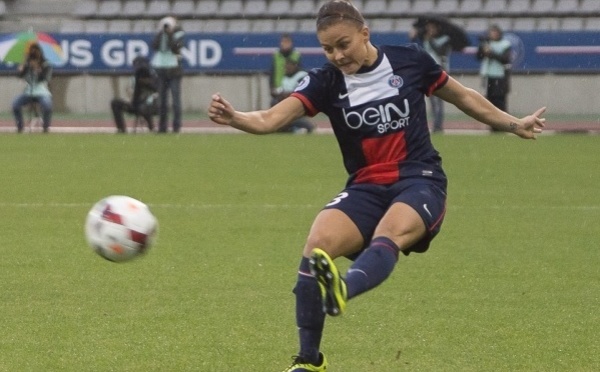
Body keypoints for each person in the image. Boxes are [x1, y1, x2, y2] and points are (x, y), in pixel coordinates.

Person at [208, 1, 545, 371]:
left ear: (364, 34)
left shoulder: (410, 60)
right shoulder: (325, 81)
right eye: (327, 48)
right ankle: (309, 362)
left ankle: (343, 289)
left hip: (419, 179)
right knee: (314, 247)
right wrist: (236, 117)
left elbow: (463, 96)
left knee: (389, 233)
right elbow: (271, 119)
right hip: (366, 186)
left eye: (343, 44)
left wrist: (514, 124)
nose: (337, 55)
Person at [411, 19, 452, 133]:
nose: (430, 30)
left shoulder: (445, 40)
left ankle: (438, 125)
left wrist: (430, 40)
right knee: (431, 100)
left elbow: (440, 52)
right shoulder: (425, 39)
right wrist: (414, 36)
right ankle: (434, 123)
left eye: (432, 28)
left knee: (439, 99)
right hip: (427, 71)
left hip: (439, 70)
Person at [151, 16, 185, 133]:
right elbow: (154, 46)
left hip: (174, 70)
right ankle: (162, 127)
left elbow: (176, 48)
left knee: (176, 100)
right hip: (161, 70)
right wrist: (161, 33)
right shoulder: (160, 35)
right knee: (162, 101)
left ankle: (176, 127)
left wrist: (170, 34)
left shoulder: (179, 34)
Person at [477, 24, 512, 131]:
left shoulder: (505, 44)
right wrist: (483, 49)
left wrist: (491, 53)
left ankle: (503, 125)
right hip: (489, 76)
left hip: (500, 77)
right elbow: (478, 57)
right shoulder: (486, 44)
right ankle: (493, 126)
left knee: (500, 102)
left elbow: (505, 59)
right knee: (490, 102)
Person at [110, 56, 159, 133]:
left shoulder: (155, 77)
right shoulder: (135, 78)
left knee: (144, 106)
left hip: (150, 106)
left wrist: (147, 83)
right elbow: (132, 94)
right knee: (115, 103)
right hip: (136, 105)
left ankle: (151, 127)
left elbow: (156, 91)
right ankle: (121, 129)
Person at [12, 43, 53, 133]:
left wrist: (37, 69)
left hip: (42, 91)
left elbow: (44, 78)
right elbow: (20, 76)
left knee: (47, 106)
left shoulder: (46, 64)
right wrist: (21, 69)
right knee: (15, 104)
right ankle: (20, 127)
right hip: (28, 92)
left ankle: (45, 127)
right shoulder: (27, 64)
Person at [272, 59, 316, 134]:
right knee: (274, 102)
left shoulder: (302, 75)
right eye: (286, 67)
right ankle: (286, 127)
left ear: (295, 66)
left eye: (289, 66)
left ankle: (304, 126)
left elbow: (302, 91)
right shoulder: (285, 78)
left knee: (291, 118)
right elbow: (282, 90)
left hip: (299, 102)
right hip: (286, 103)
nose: (287, 69)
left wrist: (289, 94)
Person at [270, 33, 302, 107]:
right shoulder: (276, 55)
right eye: (284, 42)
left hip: (292, 90)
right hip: (278, 89)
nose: (285, 44)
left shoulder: (296, 55)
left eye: (287, 42)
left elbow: (299, 74)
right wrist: (272, 87)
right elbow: (272, 72)